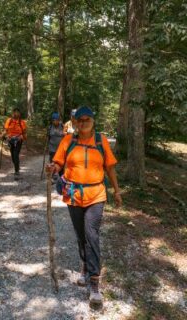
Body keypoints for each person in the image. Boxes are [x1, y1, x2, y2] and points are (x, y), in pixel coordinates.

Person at [46, 106, 122, 306]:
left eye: (87, 119)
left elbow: (110, 167)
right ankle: (84, 267)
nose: (84, 122)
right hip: (74, 195)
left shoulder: (101, 141)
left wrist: (117, 191)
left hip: (96, 194)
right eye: (80, 120)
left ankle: (95, 282)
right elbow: (58, 163)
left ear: (93, 121)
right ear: (75, 123)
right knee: (80, 234)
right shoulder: (68, 140)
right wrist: (53, 168)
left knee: (92, 234)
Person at [2, 108, 27, 180]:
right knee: (12, 155)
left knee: (16, 154)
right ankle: (17, 166)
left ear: (19, 114)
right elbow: (5, 130)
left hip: (18, 140)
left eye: (17, 112)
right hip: (10, 140)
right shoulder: (9, 121)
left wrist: (21, 137)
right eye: (15, 112)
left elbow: (24, 133)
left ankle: (16, 171)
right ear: (12, 113)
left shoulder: (22, 122)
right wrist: (3, 136)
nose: (16, 114)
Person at [47, 112, 64, 181]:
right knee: (52, 162)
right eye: (53, 120)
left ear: (59, 120)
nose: (55, 121)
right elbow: (48, 137)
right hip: (52, 148)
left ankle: (61, 176)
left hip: (60, 149)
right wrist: (47, 146)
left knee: (60, 163)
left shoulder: (62, 127)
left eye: (56, 120)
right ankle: (53, 176)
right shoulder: (50, 127)